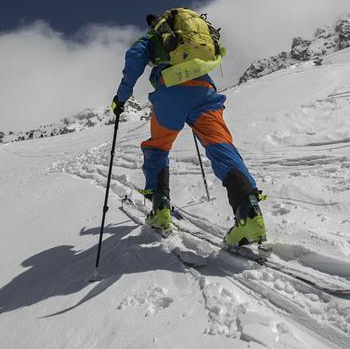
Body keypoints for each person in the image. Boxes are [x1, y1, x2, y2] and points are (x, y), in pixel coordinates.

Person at [111, 12, 267, 246]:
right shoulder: (193, 33)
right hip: (204, 90)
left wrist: (121, 98)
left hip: (170, 91)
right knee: (221, 146)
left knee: (158, 148)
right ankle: (249, 212)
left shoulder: (153, 37)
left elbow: (134, 59)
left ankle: (161, 208)